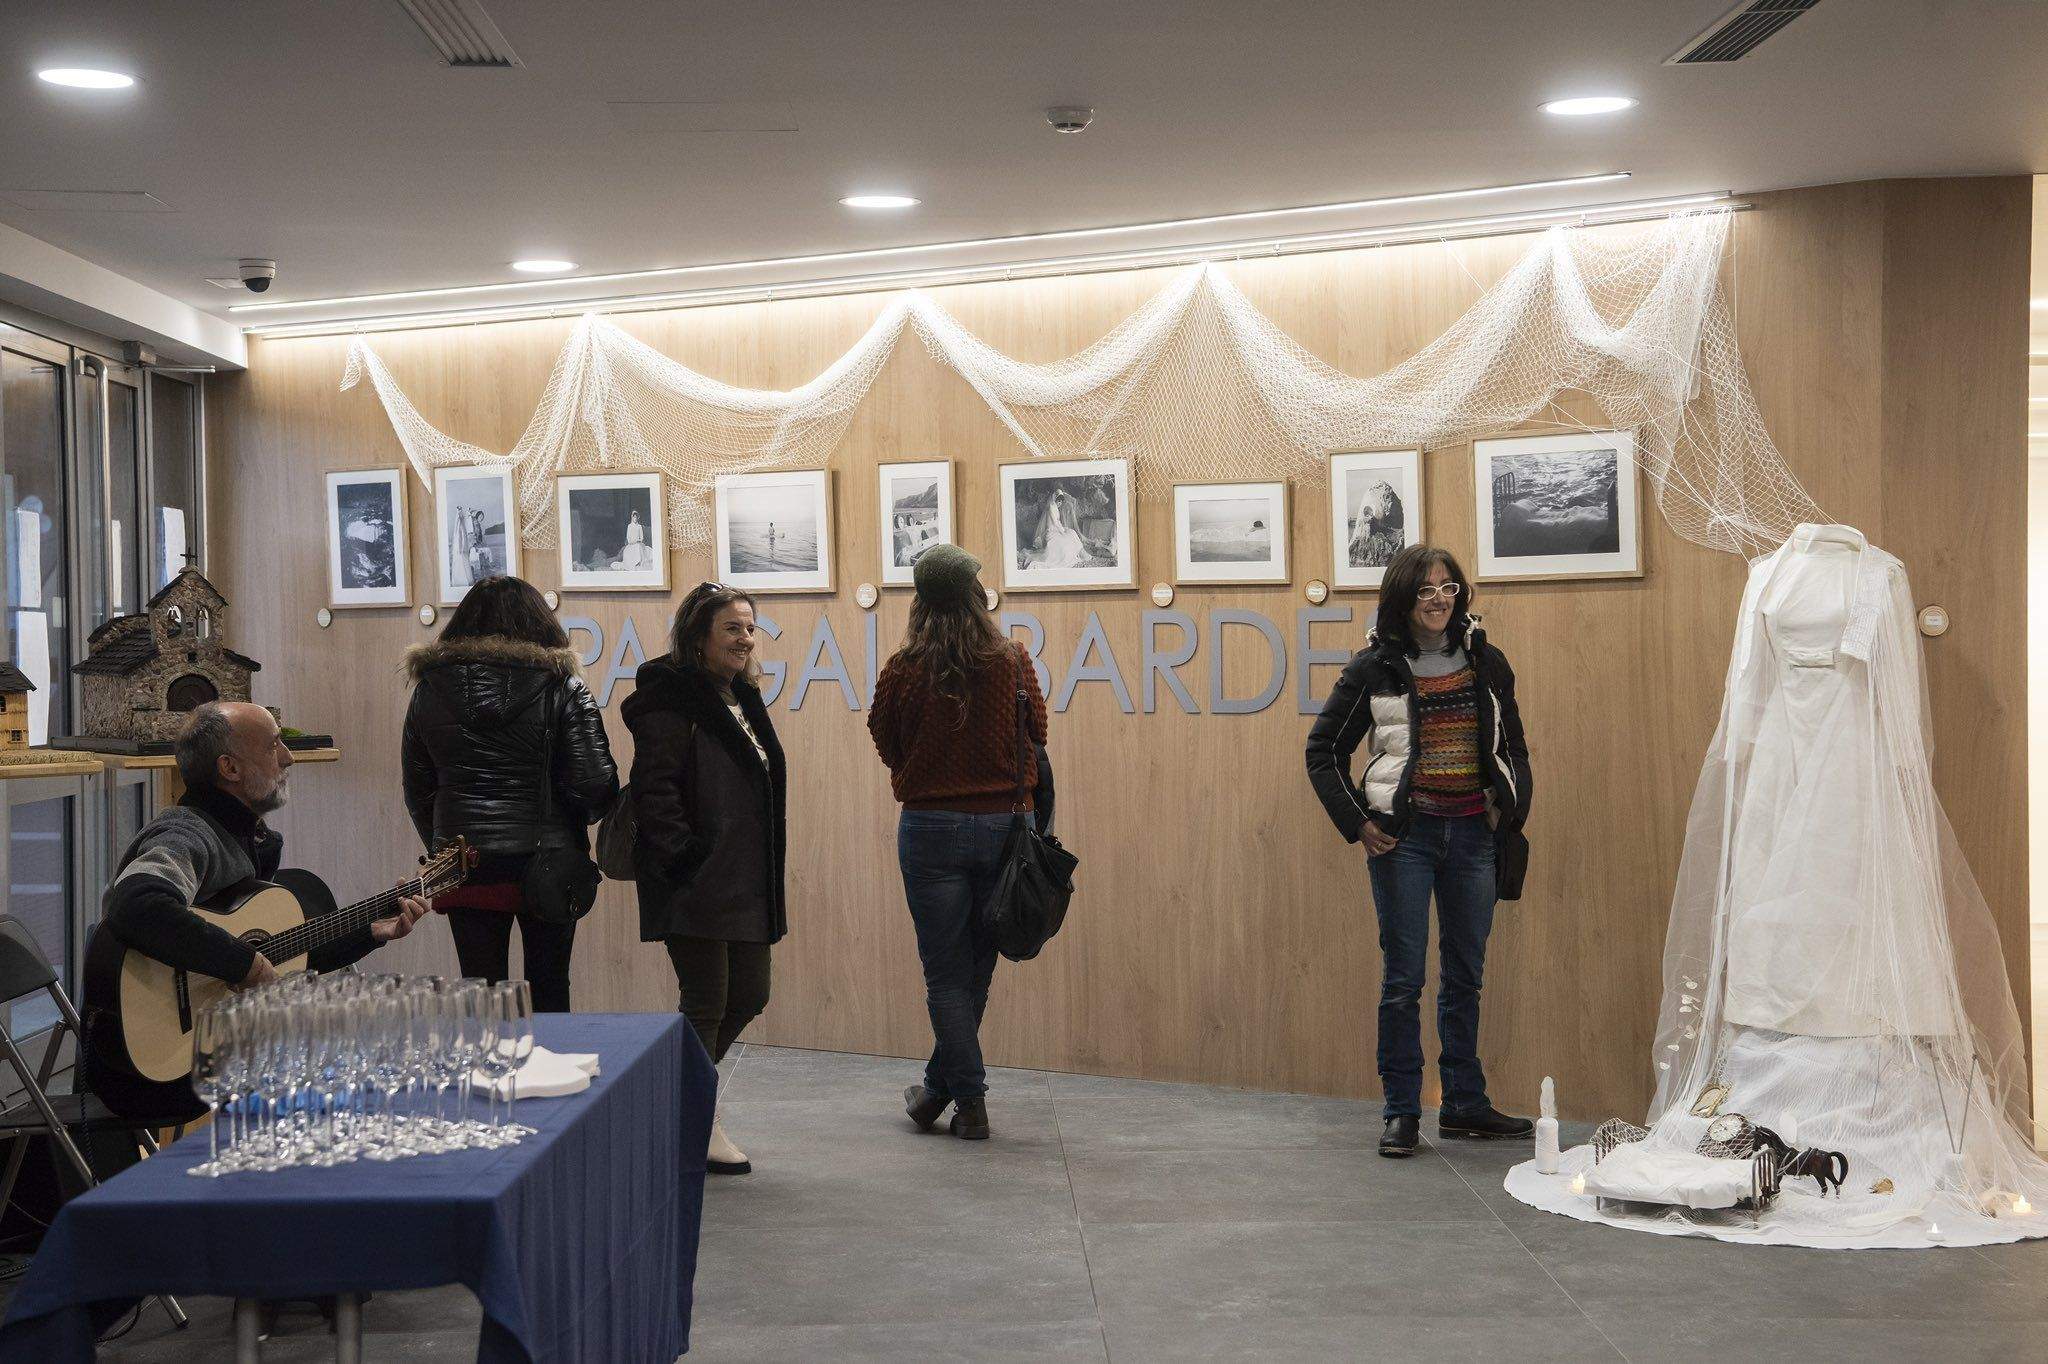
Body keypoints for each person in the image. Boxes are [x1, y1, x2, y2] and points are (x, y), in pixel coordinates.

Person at [84, 702, 431, 1120]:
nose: (287, 757)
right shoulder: (186, 833)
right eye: (273, 746)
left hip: (227, 1046)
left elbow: (284, 956)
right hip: (165, 1067)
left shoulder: (249, 836)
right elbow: (136, 904)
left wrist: (372, 931)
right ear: (229, 767)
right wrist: (242, 963)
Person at [1305, 543, 1533, 1158]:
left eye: (1448, 587)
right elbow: (1322, 752)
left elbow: (1513, 745)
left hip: (1473, 842)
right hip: (1406, 842)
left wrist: (1508, 808)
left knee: (1465, 977)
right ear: (1403, 598)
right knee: (1403, 979)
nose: (1438, 598)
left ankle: (1463, 1105)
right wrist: (1358, 824)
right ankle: (1402, 1111)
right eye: (1426, 588)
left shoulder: (1489, 663)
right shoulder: (1372, 668)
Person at [867, 544, 1048, 1142]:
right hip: (1002, 830)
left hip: (929, 829)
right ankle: (949, 1094)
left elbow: (885, 739)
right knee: (977, 969)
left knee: (946, 975)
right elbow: (1038, 731)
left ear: (922, 601)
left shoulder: (902, 668)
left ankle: (957, 1096)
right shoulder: (1012, 660)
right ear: (975, 596)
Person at [623, 582, 786, 1175]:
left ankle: (671, 1094)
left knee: (751, 992)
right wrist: (684, 858)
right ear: (698, 637)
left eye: (750, 628)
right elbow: (655, 789)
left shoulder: (740, 696)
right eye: (732, 629)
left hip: (743, 880)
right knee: (707, 1002)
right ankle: (695, 1118)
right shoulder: (671, 701)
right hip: (693, 879)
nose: (745, 639)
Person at [401, 575, 618, 1013]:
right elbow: (593, 785)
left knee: (482, 995)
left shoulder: (430, 689)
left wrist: (449, 847)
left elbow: (419, 788)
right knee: (550, 988)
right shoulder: (564, 687)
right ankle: (553, 1077)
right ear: (541, 622)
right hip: (549, 864)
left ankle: (488, 1078)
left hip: (464, 864)